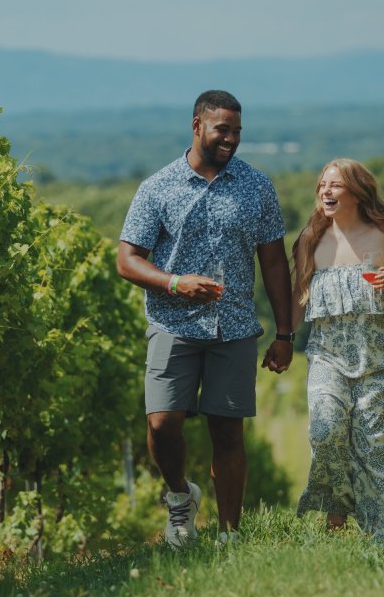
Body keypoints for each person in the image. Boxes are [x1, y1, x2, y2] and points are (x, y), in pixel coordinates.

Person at [117, 89, 295, 548]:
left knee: (227, 430)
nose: (231, 139)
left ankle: (229, 535)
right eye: (223, 130)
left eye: (237, 131)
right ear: (197, 126)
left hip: (234, 326)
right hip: (172, 323)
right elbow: (127, 260)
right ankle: (180, 497)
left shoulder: (257, 186)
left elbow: (274, 262)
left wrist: (285, 332)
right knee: (161, 423)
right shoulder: (157, 188)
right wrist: (176, 283)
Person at [290, 158, 384, 542]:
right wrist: (282, 340)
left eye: (335, 186)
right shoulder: (309, 241)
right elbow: (300, 299)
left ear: (357, 194)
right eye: (322, 186)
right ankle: (337, 507)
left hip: (382, 362)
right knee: (326, 429)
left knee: (380, 448)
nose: (325, 192)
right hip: (327, 357)